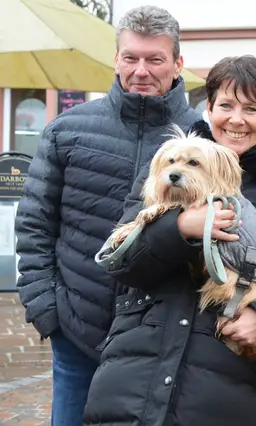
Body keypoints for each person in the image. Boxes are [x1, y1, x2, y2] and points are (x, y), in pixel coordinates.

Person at [82, 55, 256, 426]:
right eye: (226, 105)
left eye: (251, 109)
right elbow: (120, 263)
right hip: (133, 385)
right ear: (208, 108)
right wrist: (180, 229)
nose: (236, 120)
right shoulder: (164, 169)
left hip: (226, 396)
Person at [13, 5, 201, 425]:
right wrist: (48, 310)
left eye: (155, 59)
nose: (141, 70)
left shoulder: (200, 138)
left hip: (160, 339)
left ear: (177, 64)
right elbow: (34, 224)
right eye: (131, 57)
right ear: (116, 59)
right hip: (77, 331)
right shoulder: (67, 129)